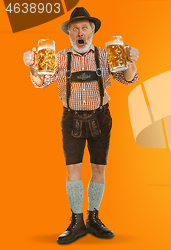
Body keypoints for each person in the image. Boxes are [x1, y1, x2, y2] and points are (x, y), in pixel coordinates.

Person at [22, 7, 139, 244]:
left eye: (84, 27)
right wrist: (32, 67)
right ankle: (77, 222)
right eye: (75, 28)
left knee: (99, 170)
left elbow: (129, 78)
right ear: (69, 34)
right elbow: (40, 82)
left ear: (92, 30)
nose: (80, 32)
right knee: (72, 171)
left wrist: (132, 61)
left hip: (100, 118)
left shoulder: (107, 55)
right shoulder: (58, 57)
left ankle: (93, 218)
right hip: (71, 119)